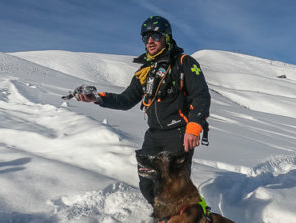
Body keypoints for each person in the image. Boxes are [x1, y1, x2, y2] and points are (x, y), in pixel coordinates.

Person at [76, 16, 211, 205]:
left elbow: (201, 95)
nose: (150, 41)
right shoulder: (144, 71)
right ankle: (165, 220)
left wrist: (194, 125)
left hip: (179, 132)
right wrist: (98, 98)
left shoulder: (184, 62)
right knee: (147, 183)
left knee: (175, 186)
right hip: (154, 134)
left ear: (166, 37)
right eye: (146, 37)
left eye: (155, 35)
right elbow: (125, 100)